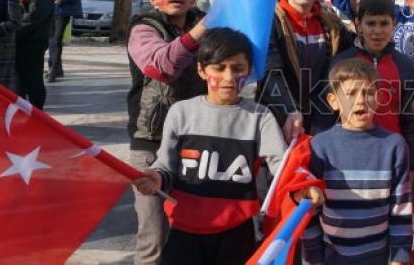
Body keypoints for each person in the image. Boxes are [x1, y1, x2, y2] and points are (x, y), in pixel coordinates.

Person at [133, 27, 324, 265]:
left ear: (250, 71)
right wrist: (157, 178)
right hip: (184, 233)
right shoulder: (180, 112)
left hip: (237, 233)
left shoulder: (260, 116)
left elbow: (282, 166)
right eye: (219, 68)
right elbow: (167, 166)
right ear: (202, 70)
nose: (228, 77)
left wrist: (302, 187)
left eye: (237, 68)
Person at [127, 0, 208, 265]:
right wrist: (205, 29)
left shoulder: (207, 23)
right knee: (154, 240)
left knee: (196, 235)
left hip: (200, 141)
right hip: (151, 143)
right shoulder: (143, 27)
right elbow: (163, 66)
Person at [302, 58, 412, 265]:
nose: (361, 100)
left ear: (379, 98)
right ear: (333, 101)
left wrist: (399, 258)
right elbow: (309, 212)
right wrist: (314, 258)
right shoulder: (319, 146)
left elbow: (401, 209)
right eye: (351, 93)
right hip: (331, 256)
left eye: (369, 92)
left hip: (377, 256)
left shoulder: (394, 146)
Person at [257, 0, 354, 137]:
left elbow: (356, 53)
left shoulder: (332, 24)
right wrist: (288, 110)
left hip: (322, 124)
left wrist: (356, 10)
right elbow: (270, 73)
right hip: (280, 121)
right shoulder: (269, 21)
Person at [331, 0, 414, 172]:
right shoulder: (341, 63)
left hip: (391, 157)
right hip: (347, 157)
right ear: (359, 25)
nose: (377, 30)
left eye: (384, 23)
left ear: (394, 25)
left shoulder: (406, 67)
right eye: (370, 23)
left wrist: (413, 164)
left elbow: (412, 120)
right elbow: (327, 114)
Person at [12, 0, 53, 108]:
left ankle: (38, 114)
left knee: (33, 80)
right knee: (18, 82)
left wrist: (13, 30)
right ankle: (21, 115)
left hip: (33, 41)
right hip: (18, 40)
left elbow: (34, 17)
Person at [46, 0, 83, 82]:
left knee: (56, 40)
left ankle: (53, 70)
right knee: (51, 41)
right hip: (51, 12)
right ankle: (57, 68)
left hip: (63, 13)